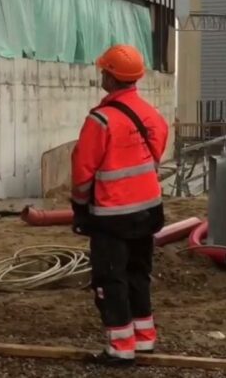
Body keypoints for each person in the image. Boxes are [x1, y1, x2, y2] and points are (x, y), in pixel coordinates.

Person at [70, 44, 168, 367]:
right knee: (139, 273)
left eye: (104, 71)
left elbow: (83, 171)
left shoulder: (101, 120)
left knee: (110, 279)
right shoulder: (151, 115)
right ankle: (144, 338)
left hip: (112, 216)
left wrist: (80, 208)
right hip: (149, 210)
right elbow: (154, 153)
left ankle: (121, 348)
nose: (101, 75)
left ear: (112, 78)